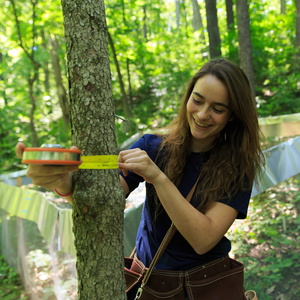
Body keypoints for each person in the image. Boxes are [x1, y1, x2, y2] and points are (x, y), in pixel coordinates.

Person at [16, 58, 264, 299]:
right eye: (197, 100)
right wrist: (61, 182)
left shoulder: (238, 168)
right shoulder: (152, 147)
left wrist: (158, 177)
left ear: (232, 116)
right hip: (151, 284)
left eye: (217, 109)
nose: (202, 114)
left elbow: (203, 239)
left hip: (207, 286)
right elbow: (101, 199)